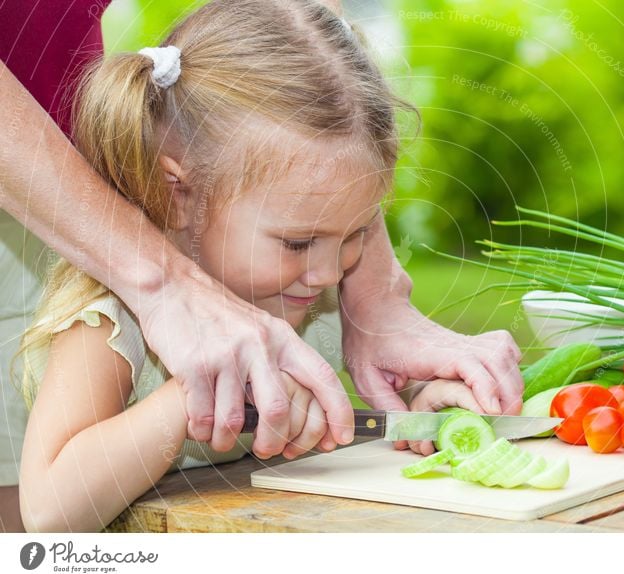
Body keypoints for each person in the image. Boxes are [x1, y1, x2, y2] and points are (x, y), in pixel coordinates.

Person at [0, 0, 523, 532]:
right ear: (176, 192)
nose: (326, 274)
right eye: (298, 242)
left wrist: (425, 406)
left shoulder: (314, 299)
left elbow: (369, 417)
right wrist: (185, 402)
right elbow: (46, 515)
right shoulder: (117, 322)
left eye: (356, 233)